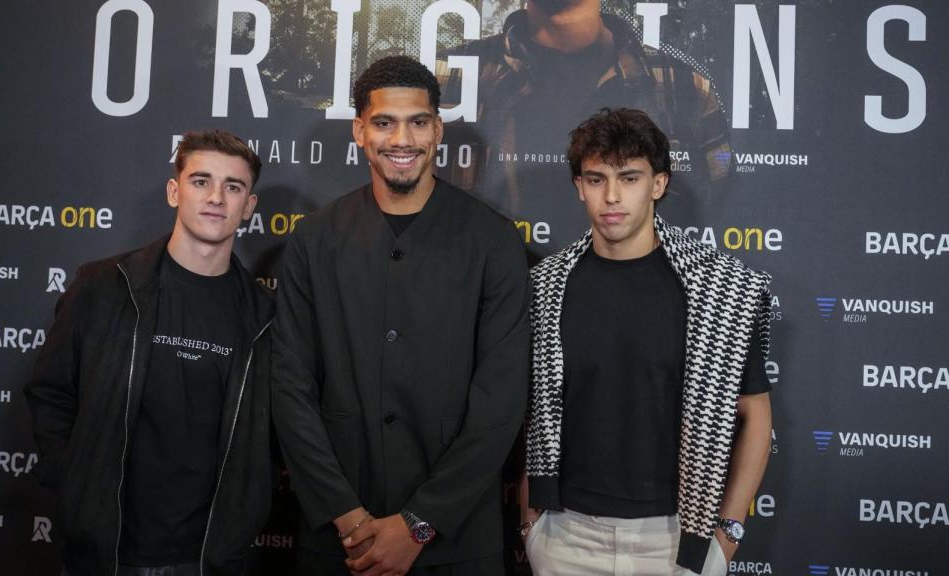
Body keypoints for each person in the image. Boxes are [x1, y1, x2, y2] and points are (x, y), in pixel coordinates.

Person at [271, 55, 530, 575]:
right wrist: (348, 518)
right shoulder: (314, 239)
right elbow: (289, 387)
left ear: (437, 129)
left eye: (417, 122)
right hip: (340, 541)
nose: (402, 139)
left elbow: (500, 403)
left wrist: (419, 523)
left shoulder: (493, 241)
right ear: (359, 131)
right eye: (384, 123)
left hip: (455, 543)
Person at [522, 108, 772, 575]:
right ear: (579, 186)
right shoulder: (544, 287)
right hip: (564, 536)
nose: (612, 196)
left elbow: (755, 415)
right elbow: (528, 410)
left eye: (629, 178)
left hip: (680, 538)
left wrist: (728, 532)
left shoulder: (722, 289)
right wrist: (530, 523)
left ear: (658, 184)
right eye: (596, 180)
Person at [25, 130, 275, 576]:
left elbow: (275, 433)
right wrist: (74, 482)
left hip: (207, 557)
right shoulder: (102, 288)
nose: (216, 197)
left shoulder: (265, 318)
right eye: (201, 181)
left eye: (233, 187)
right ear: (174, 191)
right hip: (104, 549)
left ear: (249, 206)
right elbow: (51, 394)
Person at [440, 0, 731, 216]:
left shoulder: (684, 87)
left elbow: (721, 210)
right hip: (493, 293)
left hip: (630, 292)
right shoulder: (446, 77)